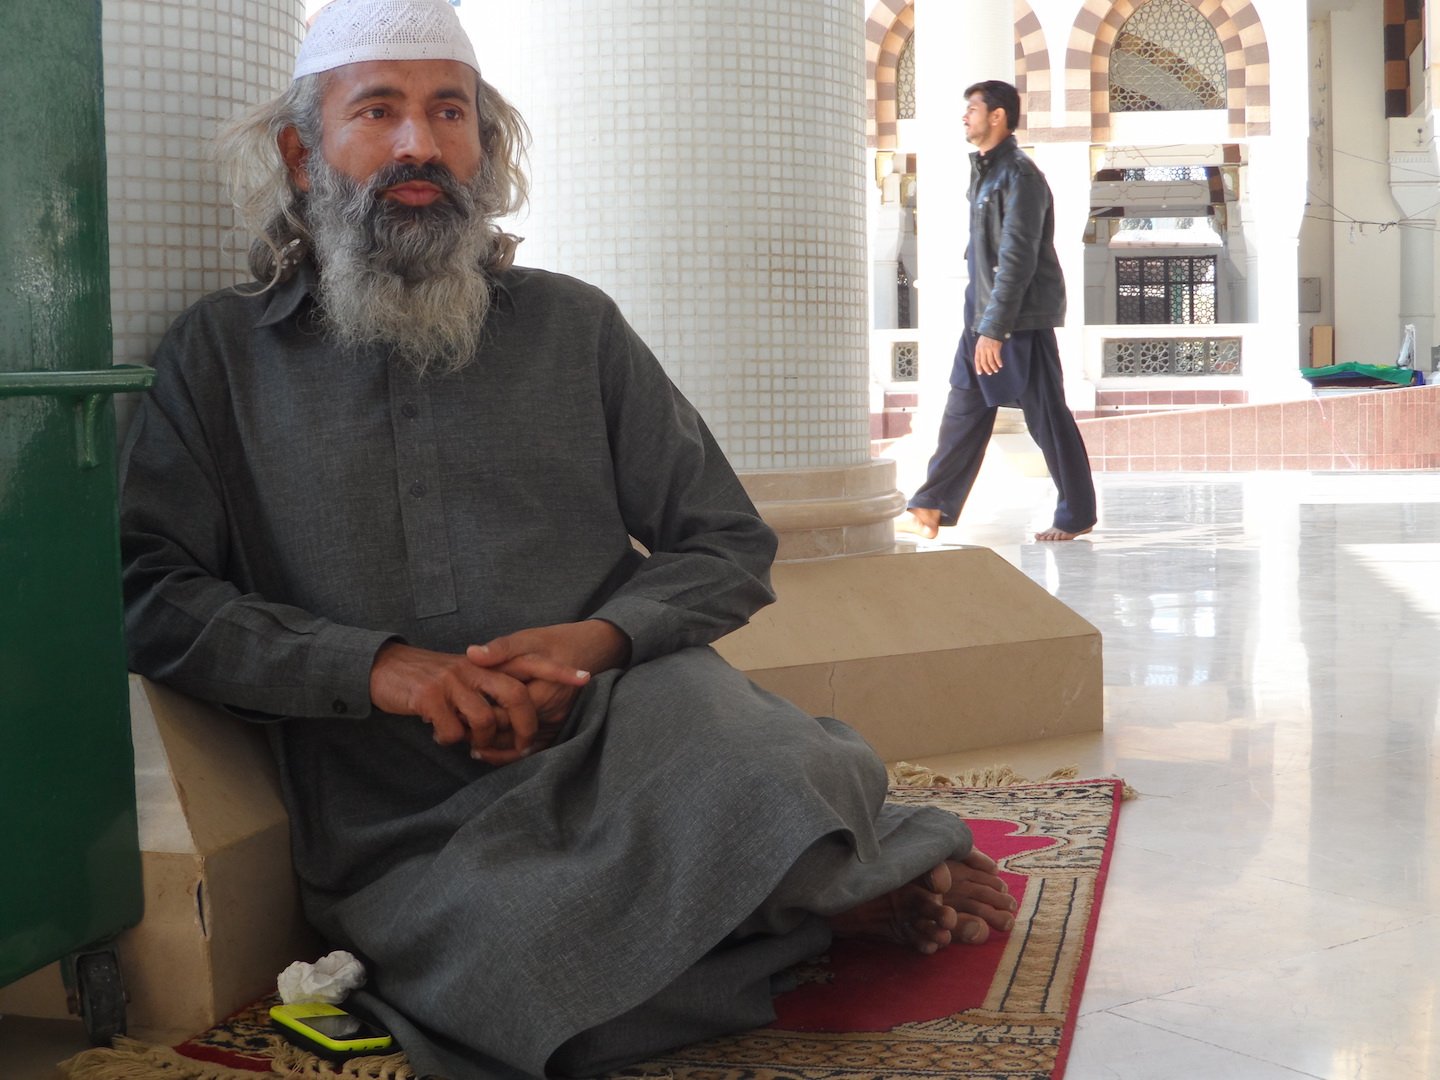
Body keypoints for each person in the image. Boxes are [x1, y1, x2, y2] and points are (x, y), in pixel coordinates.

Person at [118, 2, 1017, 1076]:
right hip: (405, 806)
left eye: (450, 113)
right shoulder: (218, 357)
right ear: (302, 153)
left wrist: (592, 646)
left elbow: (725, 543)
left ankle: (783, 879)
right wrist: (381, 672)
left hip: (629, 732)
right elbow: (153, 592)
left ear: (484, 147)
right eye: (380, 111)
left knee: (763, 766)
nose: (420, 146)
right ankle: (814, 904)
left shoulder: (573, 326)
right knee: (510, 978)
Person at [898, 80, 1096, 543]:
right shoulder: (988, 172)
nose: (965, 117)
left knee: (1046, 416)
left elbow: (1017, 259)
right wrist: (982, 324)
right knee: (962, 408)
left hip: (1015, 321)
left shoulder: (1021, 175)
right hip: (982, 315)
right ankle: (930, 506)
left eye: (972, 109)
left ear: (998, 116)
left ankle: (1076, 513)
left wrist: (995, 329)